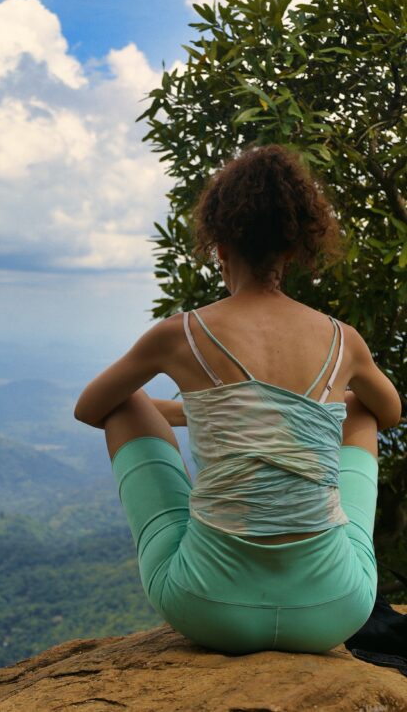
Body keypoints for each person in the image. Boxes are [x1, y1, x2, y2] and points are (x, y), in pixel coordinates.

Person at [74, 144, 403, 654]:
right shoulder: (344, 340)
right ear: (294, 250)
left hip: (208, 608)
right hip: (335, 608)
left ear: (220, 246)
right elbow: (390, 412)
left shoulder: (179, 333)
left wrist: (198, 411)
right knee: (360, 407)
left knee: (123, 401)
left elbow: (90, 407)